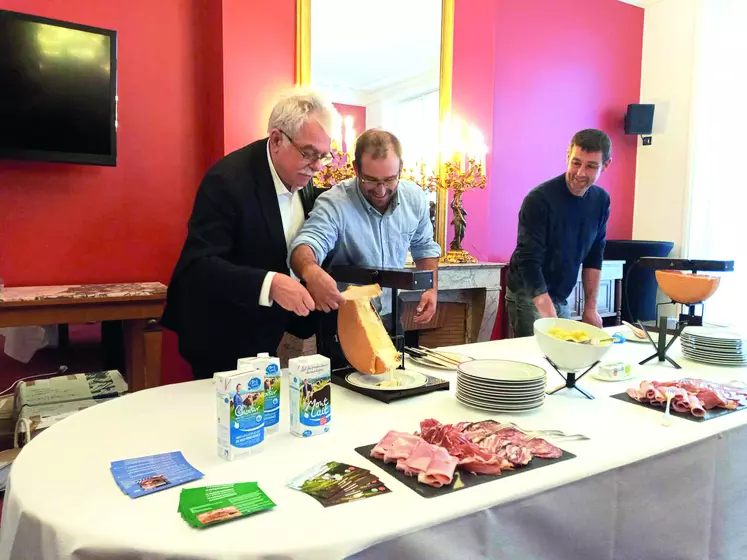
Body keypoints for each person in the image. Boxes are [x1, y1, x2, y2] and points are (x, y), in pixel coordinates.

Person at [161, 88, 338, 379]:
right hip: (219, 330)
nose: (318, 167)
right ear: (277, 139)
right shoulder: (227, 181)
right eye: (308, 154)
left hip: (268, 334)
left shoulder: (302, 176)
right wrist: (272, 284)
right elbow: (199, 267)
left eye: (323, 156)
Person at [288, 129, 442, 327]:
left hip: (390, 314)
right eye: (370, 180)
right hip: (345, 319)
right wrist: (310, 271)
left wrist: (430, 289)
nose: (381, 190)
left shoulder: (415, 198)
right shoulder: (335, 203)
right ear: (356, 169)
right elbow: (308, 243)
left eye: (389, 179)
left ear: (401, 169)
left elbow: (424, 247)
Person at [506, 128, 612, 338]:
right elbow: (528, 261)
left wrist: (590, 308)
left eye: (591, 166)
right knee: (542, 358)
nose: (581, 173)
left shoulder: (601, 201)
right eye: (576, 163)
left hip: (562, 294)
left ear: (606, 165)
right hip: (528, 292)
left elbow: (594, 256)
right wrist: (548, 312)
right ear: (567, 156)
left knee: (566, 357)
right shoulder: (539, 199)